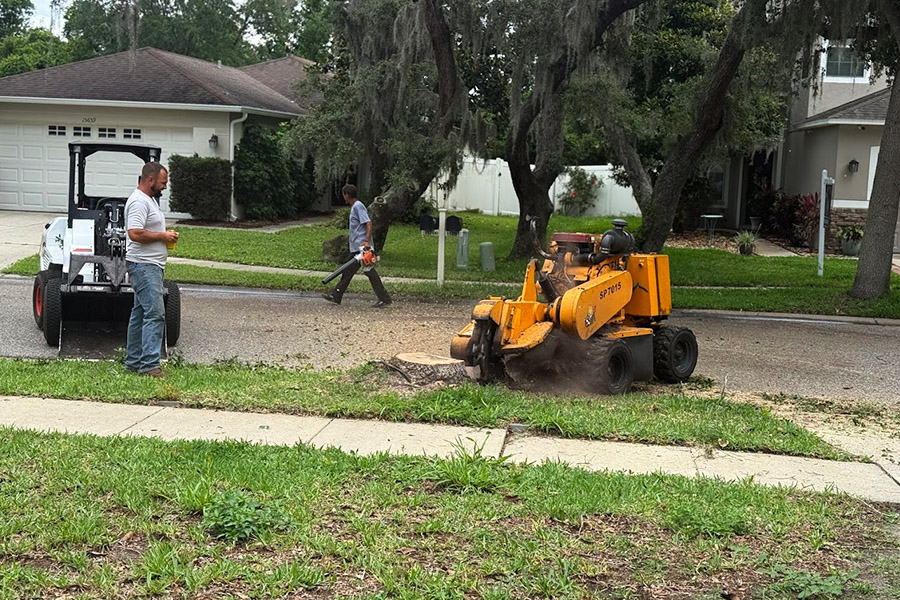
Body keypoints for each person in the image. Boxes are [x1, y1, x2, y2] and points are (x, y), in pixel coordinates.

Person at [124, 162, 179, 377]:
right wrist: (163, 236)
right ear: (150, 179)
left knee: (140, 314)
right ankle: (149, 365)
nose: (165, 186)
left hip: (150, 265)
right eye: (163, 182)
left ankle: (134, 362)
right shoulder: (139, 202)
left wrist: (164, 237)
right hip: (144, 266)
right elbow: (135, 233)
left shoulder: (149, 200)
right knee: (155, 313)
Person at [322, 184, 392, 308]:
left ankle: (384, 298)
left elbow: (368, 223)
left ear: (347, 194)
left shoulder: (358, 206)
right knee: (350, 271)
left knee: (367, 272)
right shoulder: (355, 206)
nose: (343, 197)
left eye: (344, 194)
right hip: (357, 247)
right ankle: (336, 295)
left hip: (362, 247)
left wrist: (366, 241)